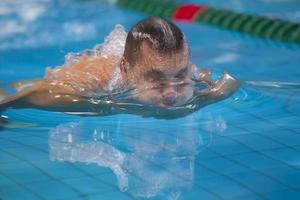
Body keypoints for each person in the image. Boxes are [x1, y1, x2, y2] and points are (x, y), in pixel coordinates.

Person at [0, 17, 239, 113]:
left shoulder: (189, 73)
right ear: (125, 70)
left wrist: (210, 95)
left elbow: (230, 81)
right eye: (156, 79)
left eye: (180, 75)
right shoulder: (94, 87)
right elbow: (30, 95)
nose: (171, 93)